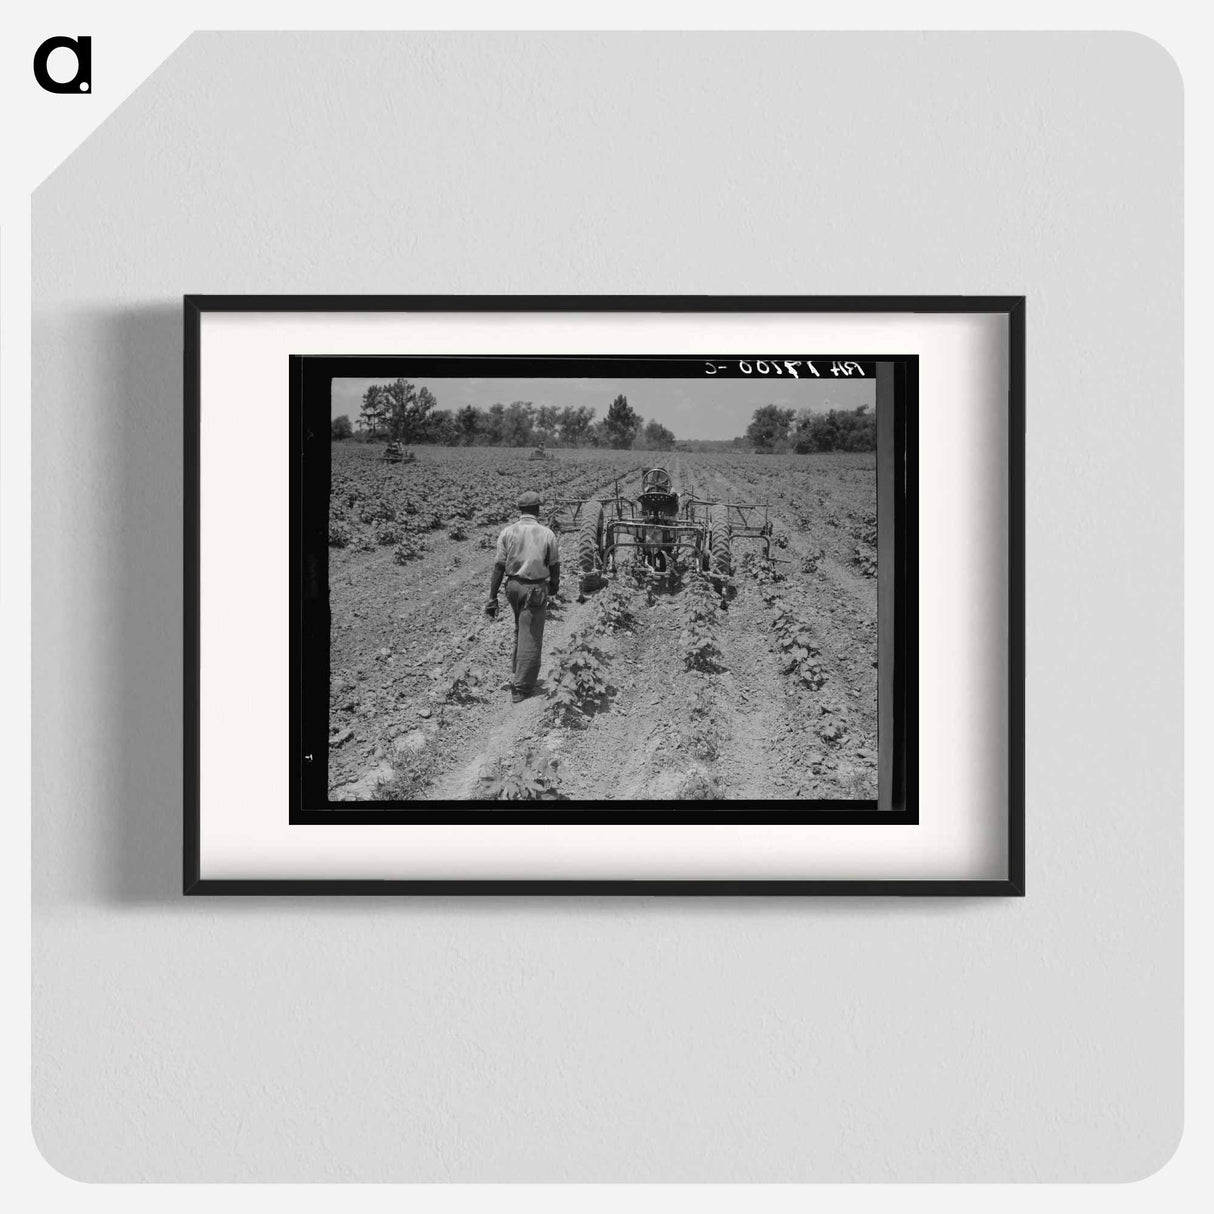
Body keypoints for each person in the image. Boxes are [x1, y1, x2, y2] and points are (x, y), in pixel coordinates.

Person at [485, 491, 560, 702]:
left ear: (520, 510)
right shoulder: (547, 534)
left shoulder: (508, 532)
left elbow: (499, 567)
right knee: (532, 636)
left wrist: (492, 597)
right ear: (538, 509)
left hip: (513, 587)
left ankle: (517, 668)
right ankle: (521, 687)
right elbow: (554, 565)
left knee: (521, 627)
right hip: (534, 589)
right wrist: (554, 585)